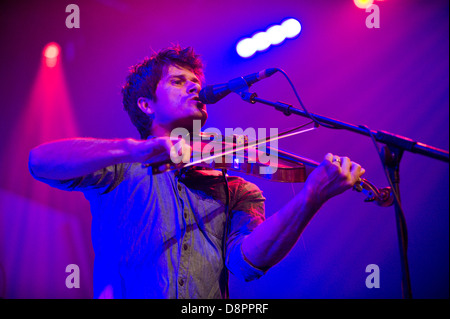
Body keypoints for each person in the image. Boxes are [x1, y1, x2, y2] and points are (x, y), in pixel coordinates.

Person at [28, 45, 365, 299]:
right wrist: (135, 148)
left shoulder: (236, 187)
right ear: (147, 105)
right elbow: (40, 161)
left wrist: (310, 197)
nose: (194, 88)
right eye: (178, 81)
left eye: (196, 82)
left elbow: (247, 262)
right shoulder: (119, 165)